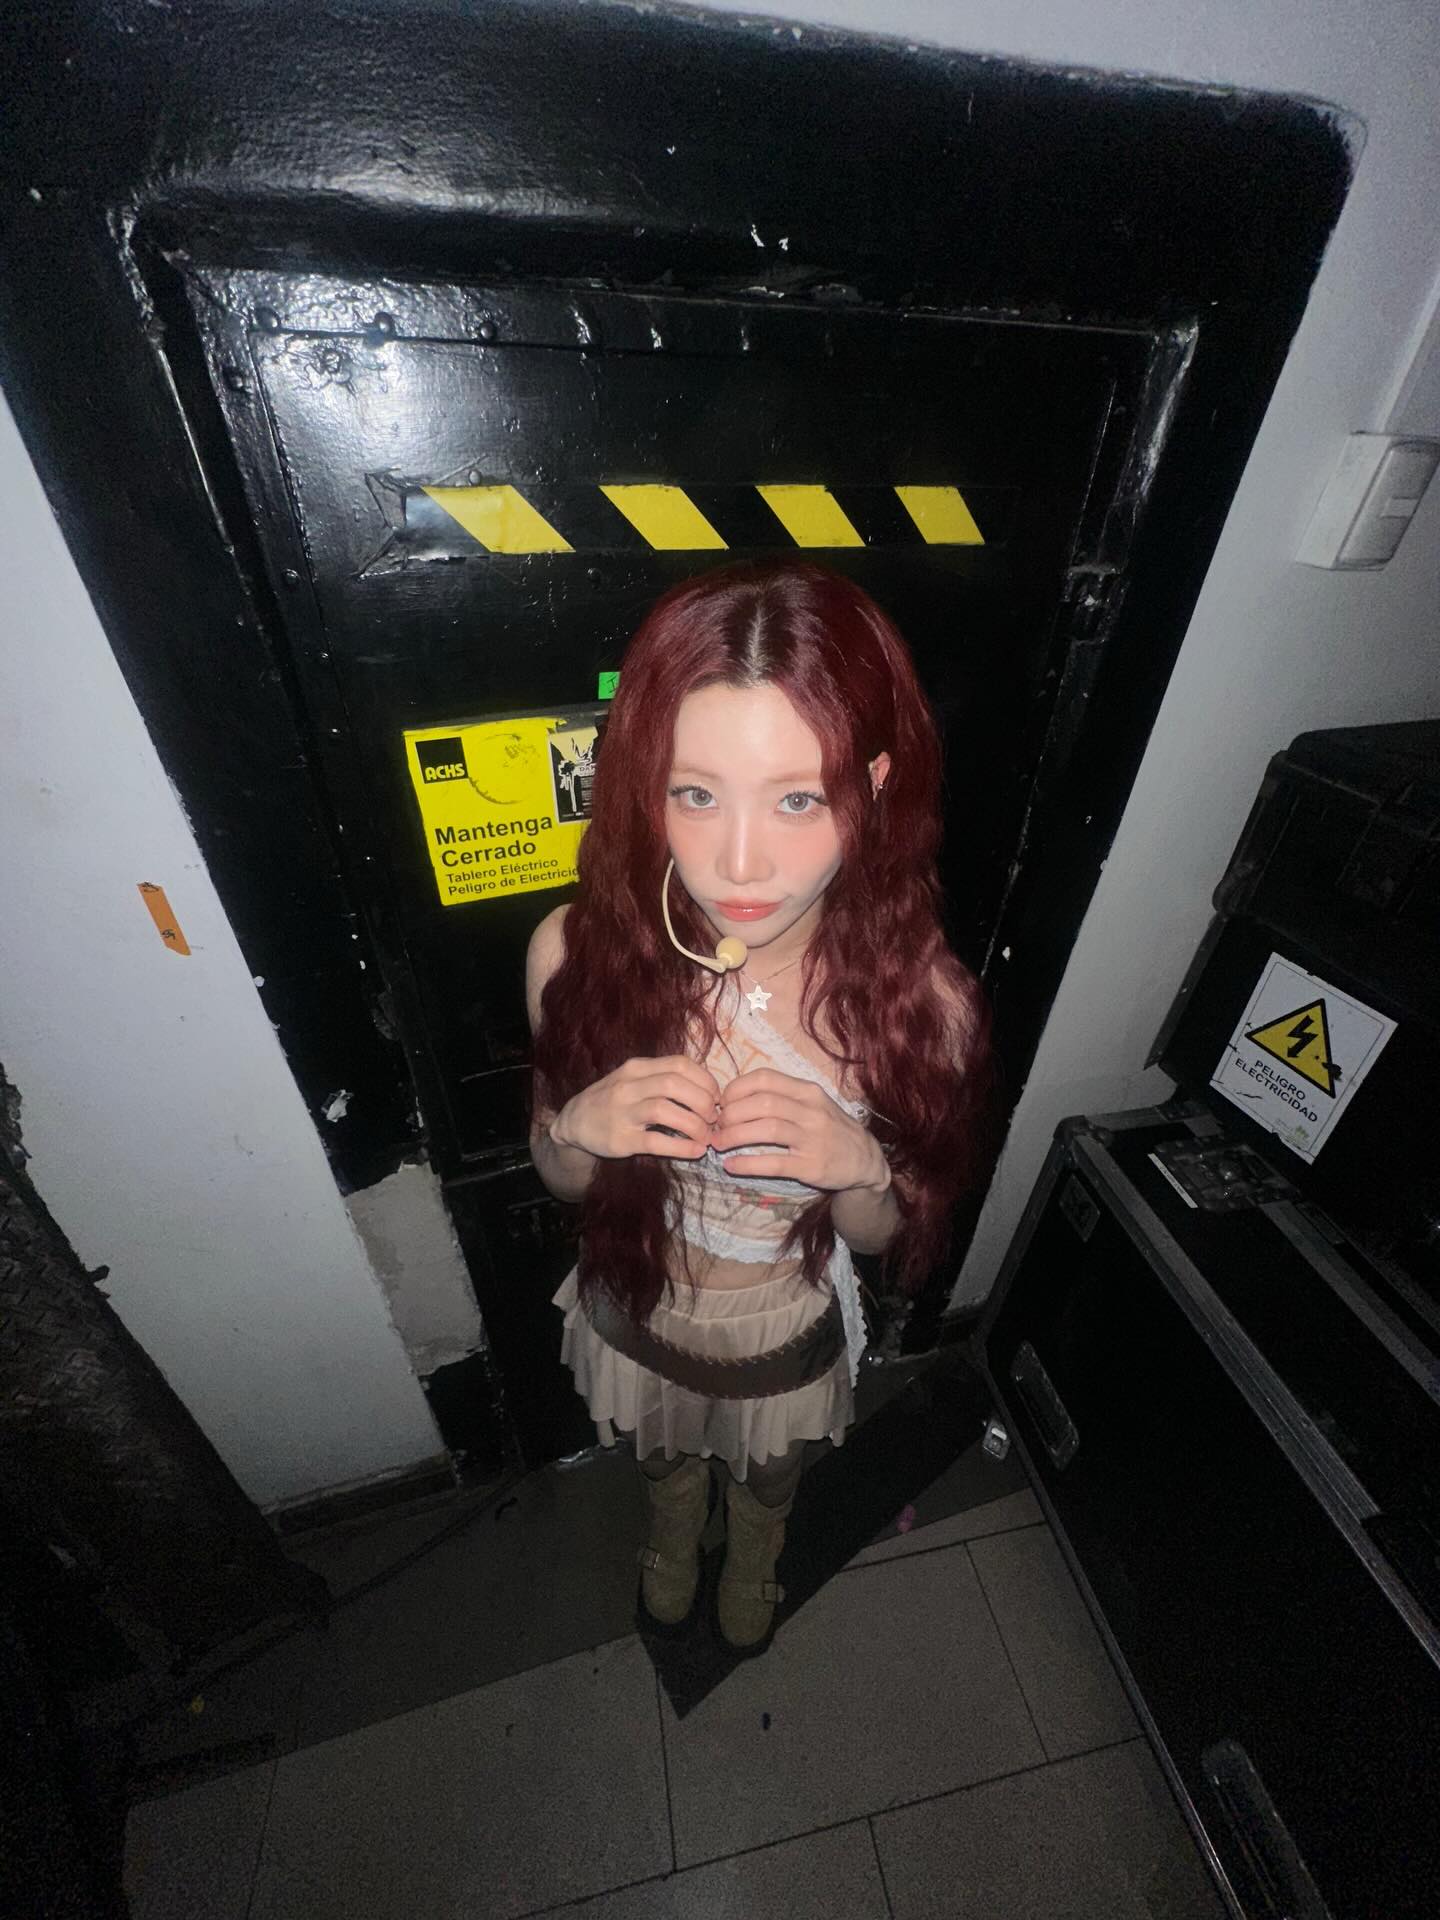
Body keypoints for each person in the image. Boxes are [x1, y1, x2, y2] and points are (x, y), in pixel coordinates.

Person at [525, 561, 990, 1656]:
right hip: (639, 1299)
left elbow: (887, 1236)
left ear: (872, 785)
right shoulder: (574, 953)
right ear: (647, 785)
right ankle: (671, 1531)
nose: (739, 861)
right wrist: (577, 1130)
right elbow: (555, 1170)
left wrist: (860, 1165)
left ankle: (759, 1545)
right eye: (696, 794)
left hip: (781, 1323)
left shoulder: (921, 1006)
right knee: (660, 1455)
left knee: (770, 1473)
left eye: (797, 798)